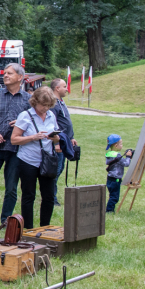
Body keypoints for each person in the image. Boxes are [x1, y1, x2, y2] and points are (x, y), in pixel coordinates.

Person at [0, 64, 31, 225]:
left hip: (16, 149)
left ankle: (5, 221)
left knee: (11, 188)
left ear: (20, 77)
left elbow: (33, 122)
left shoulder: (28, 99)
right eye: (5, 73)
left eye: (10, 73)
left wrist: (23, 123)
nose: (5, 75)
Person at [11, 87, 61, 229]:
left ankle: (45, 227)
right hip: (28, 160)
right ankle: (28, 228)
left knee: (49, 196)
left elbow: (56, 138)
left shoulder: (51, 115)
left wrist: (55, 138)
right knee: (29, 195)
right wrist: (33, 137)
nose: (45, 108)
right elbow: (14, 139)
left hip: (47, 160)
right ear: (35, 102)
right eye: (43, 105)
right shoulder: (25, 116)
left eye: (48, 105)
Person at [49, 78, 78, 206]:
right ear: (57, 88)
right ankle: (51, 198)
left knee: (60, 169)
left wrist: (71, 137)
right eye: (64, 86)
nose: (67, 89)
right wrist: (56, 143)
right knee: (56, 170)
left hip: (65, 141)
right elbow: (52, 124)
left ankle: (51, 195)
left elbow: (66, 122)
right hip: (58, 142)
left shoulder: (61, 102)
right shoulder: (53, 104)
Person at [104, 134, 133, 212]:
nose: (122, 145)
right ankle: (109, 211)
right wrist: (128, 157)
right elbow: (126, 163)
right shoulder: (117, 155)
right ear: (116, 146)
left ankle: (110, 209)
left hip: (110, 179)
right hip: (115, 179)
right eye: (121, 144)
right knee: (114, 197)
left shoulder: (109, 154)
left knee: (112, 195)